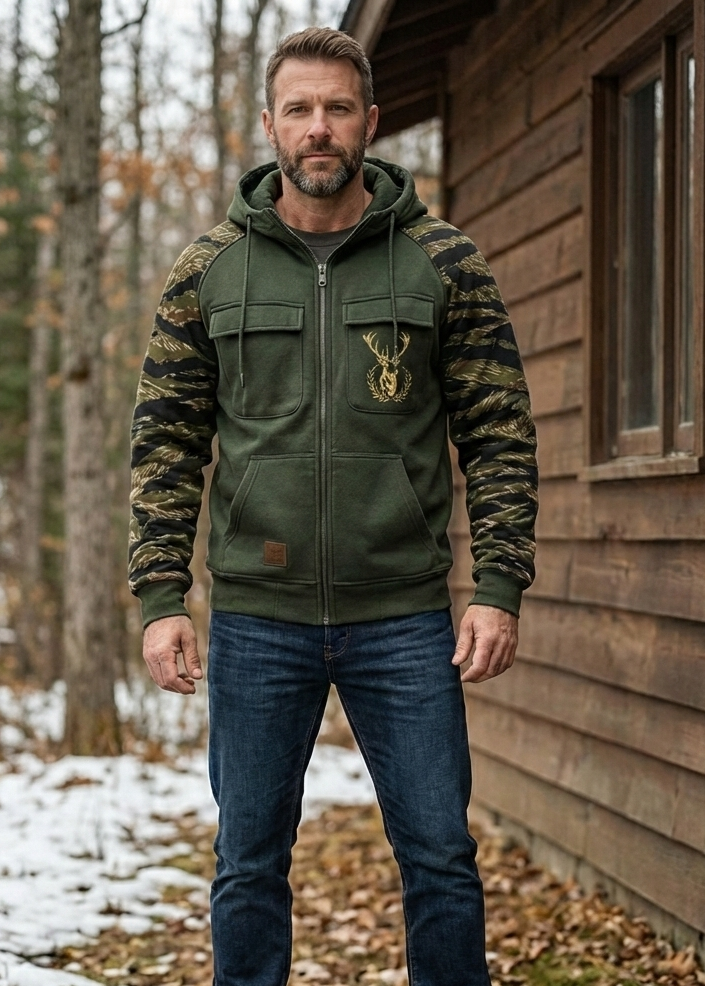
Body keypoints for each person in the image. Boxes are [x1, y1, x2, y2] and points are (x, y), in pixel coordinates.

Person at [129, 26, 538, 986]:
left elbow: (499, 431)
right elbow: (166, 443)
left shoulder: (443, 261)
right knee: (247, 863)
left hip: (403, 616)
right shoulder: (208, 269)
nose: (319, 128)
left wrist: (499, 586)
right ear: (270, 124)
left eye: (338, 108)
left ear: (371, 121)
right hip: (257, 617)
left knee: (441, 857)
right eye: (300, 109)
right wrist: (160, 597)